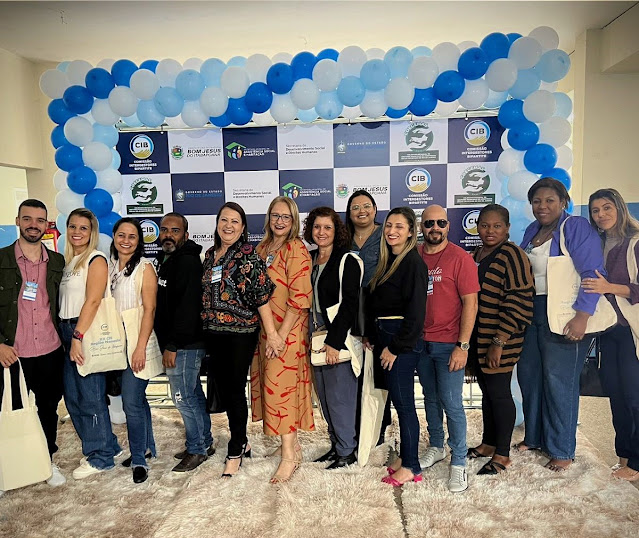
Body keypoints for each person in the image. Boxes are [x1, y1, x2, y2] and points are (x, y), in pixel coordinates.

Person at [518, 178, 606, 472]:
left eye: (549, 200)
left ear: (563, 202)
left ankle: (562, 449)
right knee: (531, 376)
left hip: (567, 313)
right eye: (536, 201)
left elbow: (593, 273)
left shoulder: (575, 227)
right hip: (533, 311)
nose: (542, 206)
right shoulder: (532, 231)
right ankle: (534, 436)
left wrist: (582, 316)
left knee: (559, 382)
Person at [201, 202, 275, 478]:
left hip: (240, 334)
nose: (228, 226)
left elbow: (262, 297)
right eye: (224, 220)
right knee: (223, 388)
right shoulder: (210, 255)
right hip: (213, 333)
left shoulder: (248, 255)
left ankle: (237, 446)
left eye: (235, 221)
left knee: (233, 390)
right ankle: (242, 439)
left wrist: (273, 334)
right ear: (217, 223)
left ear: (243, 227)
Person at [0, 199, 66, 489]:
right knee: (8, 411)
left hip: (50, 350)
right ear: (17, 221)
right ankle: (7, 469)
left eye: (40, 220)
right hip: (12, 353)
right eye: (27, 219)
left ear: (46, 225)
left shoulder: (57, 262)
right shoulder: (1, 260)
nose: (33, 225)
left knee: (48, 409)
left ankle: (46, 462)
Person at [250, 196, 314, 483]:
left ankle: (289, 455)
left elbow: (300, 299)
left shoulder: (296, 249)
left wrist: (280, 337)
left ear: (294, 221)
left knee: (282, 389)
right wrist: (269, 334)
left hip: (287, 332)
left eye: (285, 217)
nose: (279, 221)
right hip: (266, 331)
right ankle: (291, 445)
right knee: (269, 388)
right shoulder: (262, 248)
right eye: (275, 215)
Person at [468, 204, 534, 475]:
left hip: (500, 339)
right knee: (487, 392)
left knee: (499, 393)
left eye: (497, 226)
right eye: (484, 225)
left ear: (507, 228)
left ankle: (503, 454)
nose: (490, 231)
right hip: (479, 336)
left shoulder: (512, 255)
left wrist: (499, 341)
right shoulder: (478, 254)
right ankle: (489, 443)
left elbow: (519, 301)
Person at [417, 204, 479, 493]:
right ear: (421, 227)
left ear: (448, 225)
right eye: (429, 223)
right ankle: (437, 445)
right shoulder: (414, 255)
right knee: (430, 398)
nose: (435, 228)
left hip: (449, 344)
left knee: (452, 403)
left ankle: (459, 460)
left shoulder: (460, 258)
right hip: (421, 343)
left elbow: (471, 304)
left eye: (440, 223)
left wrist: (462, 346)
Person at [366, 207, 428, 487]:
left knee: (405, 405)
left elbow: (416, 315)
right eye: (389, 225)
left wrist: (395, 348)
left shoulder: (413, 263)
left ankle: (412, 466)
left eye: (399, 227)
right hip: (385, 337)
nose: (392, 231)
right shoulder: (387, 260)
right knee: (399, 401)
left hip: (400, 342)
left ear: (411, 232)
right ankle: (405, 457)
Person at [59, 208, 121, 480]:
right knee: (73, 397)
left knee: (91, 397)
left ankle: (101, 457)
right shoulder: (70, 262)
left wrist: (78, 336)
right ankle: (109, 445)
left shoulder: (96, 259)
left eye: (83, 228)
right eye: (73, 226)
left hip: (82, 331)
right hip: (65, 331)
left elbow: (94, 301)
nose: (77, 232)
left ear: (92, 232)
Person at [584, 189, 639, 482]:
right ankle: (625, 456)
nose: (601, 214)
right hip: (608, 331)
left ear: (619, 208)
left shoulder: (635, 243)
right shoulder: (597, 243)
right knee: (616, 395)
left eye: (607, 208)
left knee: (634, 396)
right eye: (595, 210)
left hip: (631, 331)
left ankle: (637, 462)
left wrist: (609, 287)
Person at [304, 207, 363, 469]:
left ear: (336, 231)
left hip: (336, 337)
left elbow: (350, 305)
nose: (321, 232)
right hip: (313, 334)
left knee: (340, 398)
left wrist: (334, 343)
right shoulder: (309, 259)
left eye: (327, 227)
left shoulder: (346, 260)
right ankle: (336, 445)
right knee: (325, 399)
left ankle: (347, 451)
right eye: (317, 227)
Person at [155, 212, 211, 473]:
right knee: (193, 395)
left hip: (184, 345)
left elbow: (188, 308)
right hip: (182, 343)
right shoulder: (167, 259)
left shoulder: (187, 262)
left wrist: (173, 345)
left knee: (183, 398)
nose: (168, 235)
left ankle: (197, 449)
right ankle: (204, 442)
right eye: (164, 230)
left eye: (175, 231)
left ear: (185, 235)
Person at [109, 218, 158, 484]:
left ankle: (139, 459)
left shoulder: (145, 268)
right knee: (137, 400)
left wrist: (140, 348)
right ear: (114, 236)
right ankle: (147, 447)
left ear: (139, 241)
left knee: (131, 403)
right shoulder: (108, 266)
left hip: (136, 343)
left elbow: (150, 310)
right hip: (113, 344)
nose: (126, 240)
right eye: (122, 235)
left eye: (132, 236)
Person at [345, 189, 391, 446]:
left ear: (374, 210)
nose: (361, 211)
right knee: (354, 374)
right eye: (355, 207)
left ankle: (379, 430)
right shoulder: (343, 239)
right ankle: (355, 429)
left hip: (380, 312)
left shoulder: (385, 235)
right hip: (349, 314)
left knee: (379, 374)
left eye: (366, 206)